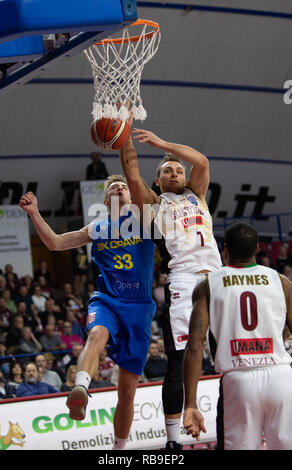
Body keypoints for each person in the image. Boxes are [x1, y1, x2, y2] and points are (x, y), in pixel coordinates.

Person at [19, 177, 156, 451]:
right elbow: (56, 243)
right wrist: (34, 213)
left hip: (139, 308)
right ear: (106, 201)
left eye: (124, 187)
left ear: (131, 195)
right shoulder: (97, 227)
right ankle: (80, 388)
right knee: (96, 335)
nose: (119, 189)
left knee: (127, 394)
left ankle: (118, 451)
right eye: (113, 189)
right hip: (106, 301)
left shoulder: (146, 221)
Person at [119, 126, 221, 449]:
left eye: (178, 169)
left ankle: (225, 428)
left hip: (218, 278)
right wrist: (123, 135)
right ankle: (173, 441)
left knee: (226, 357)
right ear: (158, 182)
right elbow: (132, 175)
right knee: (177, 363)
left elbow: (202, 161)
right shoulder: (153, 203)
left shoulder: (197, 194)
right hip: (183, 281)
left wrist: (163, 144)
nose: (176, 173)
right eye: (168, 171)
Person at [183, 222, 292, 450]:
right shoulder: (281, 282)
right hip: (281, 376)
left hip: (239, 380)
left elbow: (194, 346)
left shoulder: (208, 285)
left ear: (225, 250)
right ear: (258, 249)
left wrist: (190, 404)